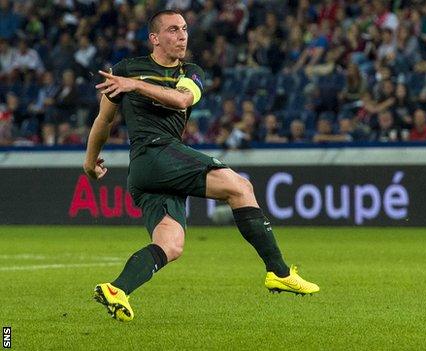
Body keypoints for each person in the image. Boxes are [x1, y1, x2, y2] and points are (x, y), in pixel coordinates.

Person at [84, 10, 319, 323]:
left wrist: (135, 87)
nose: (182, 36)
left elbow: (182, 101)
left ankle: (117, 289)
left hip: (149, 171)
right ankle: (279, 271)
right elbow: (104, 119)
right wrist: (89, 160)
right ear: (154, 38)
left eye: (184, 29)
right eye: (172, 30)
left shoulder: (190, 73)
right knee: (240, 187)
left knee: (170, 244)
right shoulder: (126, 69)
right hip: (155, 154)